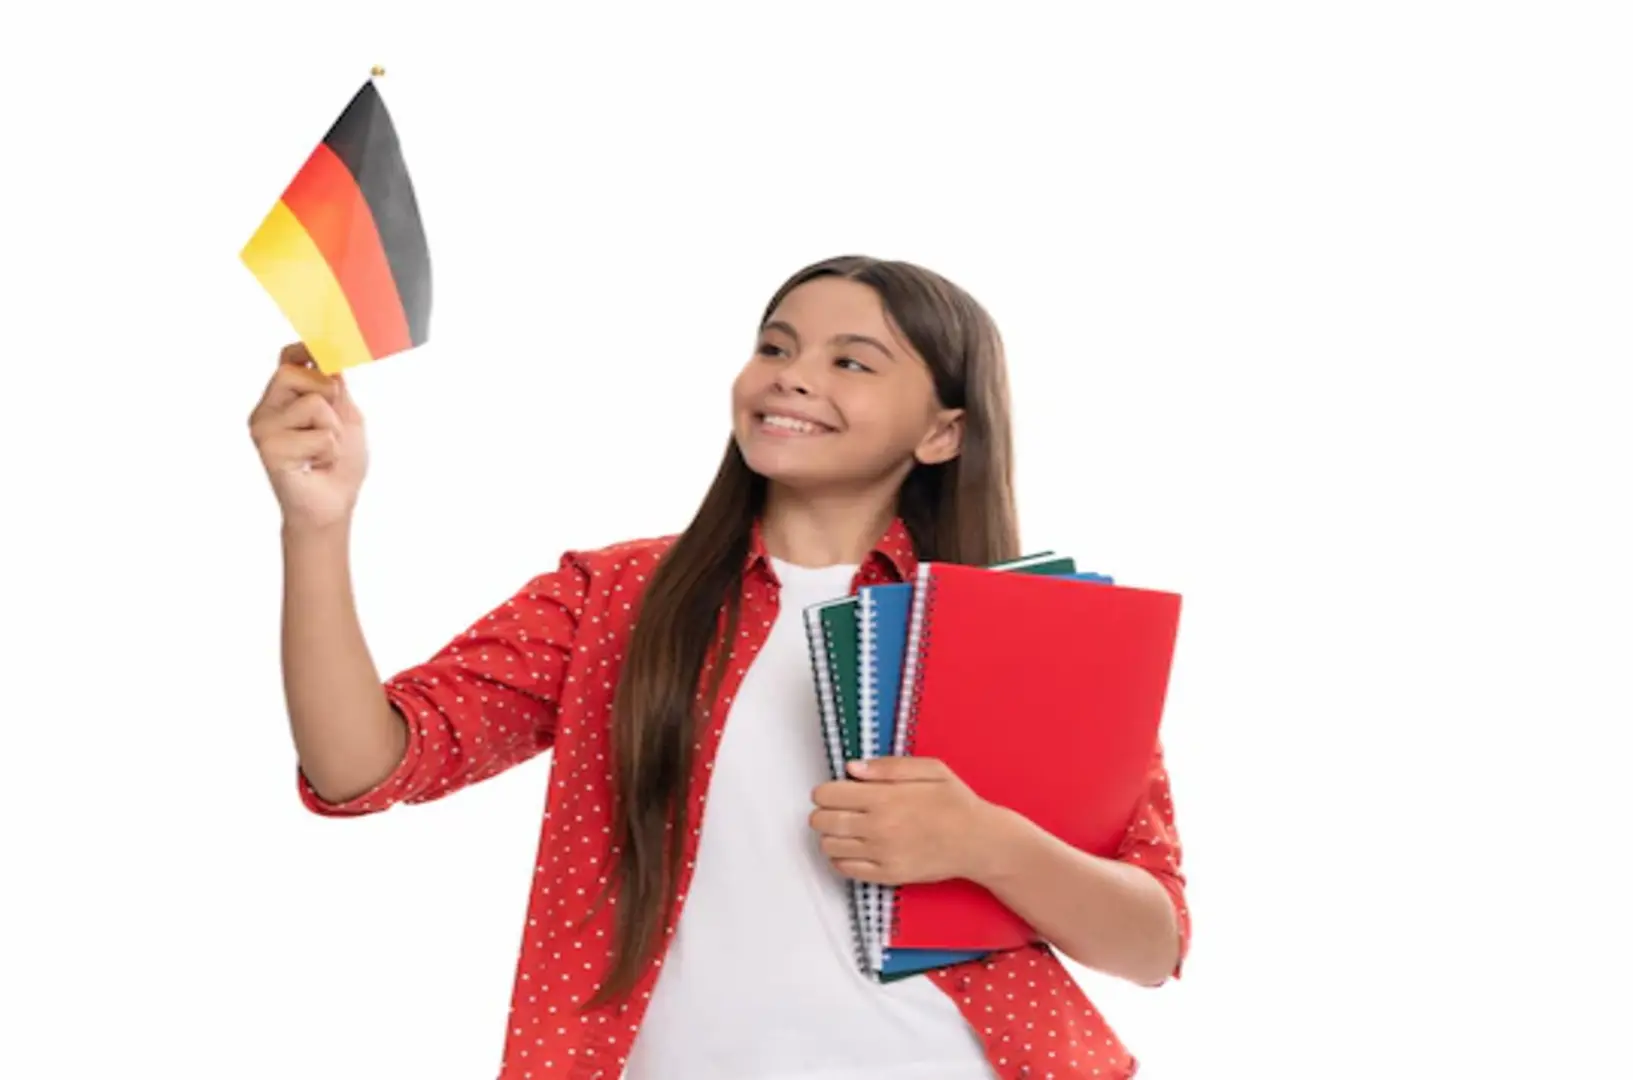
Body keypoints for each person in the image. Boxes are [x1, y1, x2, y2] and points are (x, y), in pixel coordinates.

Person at [248, 255, 1189, 1079]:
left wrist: (985, 843)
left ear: (941, 431)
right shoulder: (614, 598)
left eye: (850, 361)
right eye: (775, 348)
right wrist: (317, 525)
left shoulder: (1024, 631)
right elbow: (361, 766)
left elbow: (1151, 942)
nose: (792, 379)